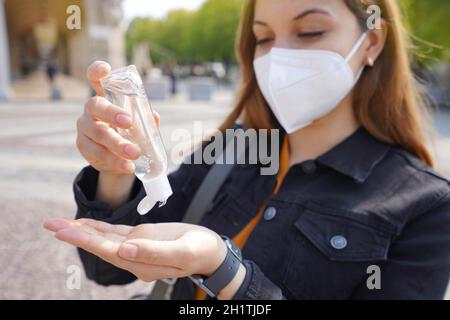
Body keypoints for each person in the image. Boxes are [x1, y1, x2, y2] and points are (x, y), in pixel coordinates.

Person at [44, 0, 450, 300]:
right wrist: (116, 170)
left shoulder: (425, 206)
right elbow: (106, 269)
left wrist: (226, 273)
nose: (279, 56)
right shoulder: (232, 150)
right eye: (264, 37)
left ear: (372, 40)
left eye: (310, 32)